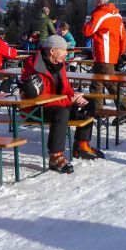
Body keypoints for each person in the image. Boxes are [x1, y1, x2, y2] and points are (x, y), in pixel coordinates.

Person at [21, 36, 101, 173]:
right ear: (52, 51)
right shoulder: (34, 66)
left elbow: (66, 86)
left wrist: (74, 96)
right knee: (61, 112)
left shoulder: (59, 64)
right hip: (36, 109)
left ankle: (82, 145)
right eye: (63, 50)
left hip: (57, 104)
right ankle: (55, 157)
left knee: (90, 104)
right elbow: (43, 98)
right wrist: (70, 101)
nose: (66, 53)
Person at [83, 0, 126, 122]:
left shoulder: (100, 14)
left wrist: (89, 21)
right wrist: (121, 52)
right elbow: (123, 36)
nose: (94, 1)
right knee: (96, 84)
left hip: (102, 54)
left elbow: (87, 31)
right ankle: (98, 111)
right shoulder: (117, 15)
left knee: (110, 84)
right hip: (109, 55)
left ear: (99, 0)